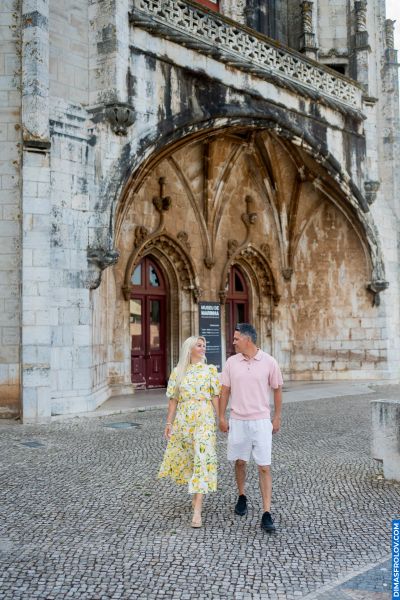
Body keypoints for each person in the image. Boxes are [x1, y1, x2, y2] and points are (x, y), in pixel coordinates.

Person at [219, 323, 283, 533]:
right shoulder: (231, 362)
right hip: (237, 420)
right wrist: (221, 416)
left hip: (261, 421)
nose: (233, 341)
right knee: (240, 462)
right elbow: (225, 391)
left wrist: (277, 417)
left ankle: (266, 512)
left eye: (236, 338)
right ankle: (242, 495)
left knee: (264, 466)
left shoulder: (269, 362)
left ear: (247, 340)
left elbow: (277, 389)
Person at [158, 336, 220, 528]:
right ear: (189, 349)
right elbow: (173, 400)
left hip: (205, 419)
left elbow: (215, 396)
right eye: (199, 345)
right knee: (191, 459)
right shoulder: (178, 372)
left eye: (204, 346)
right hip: (184, 421)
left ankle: (197, 510)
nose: (203, 348)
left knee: (203, 458)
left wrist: (222, 418)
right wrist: (169, 423)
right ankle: (196, 494)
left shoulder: (210, 370)